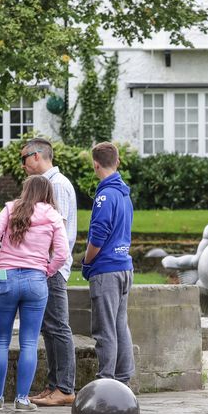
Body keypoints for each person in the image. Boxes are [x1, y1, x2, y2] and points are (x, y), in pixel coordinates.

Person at [0, 175, 68, 412]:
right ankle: (22, 399)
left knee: (0, 340)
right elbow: (62, 253)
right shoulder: (53, 215)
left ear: (26, 190)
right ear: (47, 193)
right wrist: (47, 270)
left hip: (6, 277)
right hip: (36, 279)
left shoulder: (11, 209)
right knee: (29, 342)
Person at [20, 138, 79, 407]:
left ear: (37, 156)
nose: (22, 165)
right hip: (45, 267)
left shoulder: (56, 185)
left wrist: (48, 265)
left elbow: (60, 232)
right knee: (48, 327)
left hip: (51, 267)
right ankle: (54, 385)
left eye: (24, 158)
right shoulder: (50, 184)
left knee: (57, 326)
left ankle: (65, 387)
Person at [81, 142, 135, 384]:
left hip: (107, 270)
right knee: (120, 325)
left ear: (95, 164)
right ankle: (123, 379)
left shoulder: (105, 195)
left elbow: (98, 235)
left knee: (105, 330)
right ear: (118, 162)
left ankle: (106, 381)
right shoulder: (124, 194)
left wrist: (86, 261)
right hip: (125, 266)